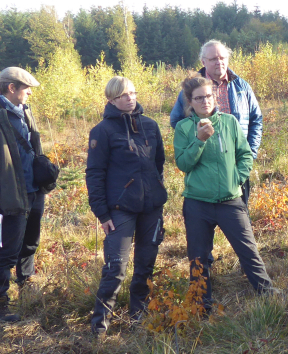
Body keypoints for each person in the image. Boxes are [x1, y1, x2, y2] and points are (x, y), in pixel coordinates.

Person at [175, 76, 276, 311]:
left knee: (248, 251)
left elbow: (245, 154)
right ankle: (201, 306)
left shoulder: (229, 122)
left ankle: (268, 293)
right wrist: (199, 141)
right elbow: (183, 164)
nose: (205, 101)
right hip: (197, 204)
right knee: (199, 259)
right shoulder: (184, 128)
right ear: (190, 101)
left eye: (208, 96)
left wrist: (237, 179)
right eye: (198, 98)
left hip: (230, 201)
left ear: (215, 96)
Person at [86, 77, 168, 335]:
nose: (130, 98)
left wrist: (156, 192)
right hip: (119, 211)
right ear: (111, 99)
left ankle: (138, 318)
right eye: (123, 95)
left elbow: (159, 163)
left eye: (132, 93)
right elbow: (95, 174)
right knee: (115, 269)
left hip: (151, 208)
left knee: (145, 265)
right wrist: (102, 213)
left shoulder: (150, 126)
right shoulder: (102, 131)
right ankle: (99, 328)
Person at [0, 67, 50, 322]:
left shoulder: (26, 112)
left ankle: (26, 285)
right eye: (26, 89)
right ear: (11, 88)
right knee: (7, 252)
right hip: (10, 197)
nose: (29, 94)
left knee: (29, 244)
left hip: (34, 192)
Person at [168, 40, 263, 204]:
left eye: (222, 58)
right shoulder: (191, 89)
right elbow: (177, 120)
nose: (219, 62)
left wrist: (250, 152)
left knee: (240, 218)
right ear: (203, 62)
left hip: (236, 164)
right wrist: (196, 141)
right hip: (203, 167)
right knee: (204, 221)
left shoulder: (241, 86)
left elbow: (256, 120)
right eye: (213, 59)